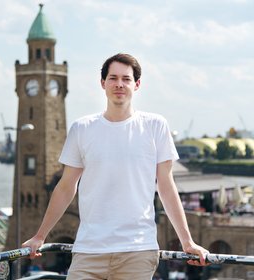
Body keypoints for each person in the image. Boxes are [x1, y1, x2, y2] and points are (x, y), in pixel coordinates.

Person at [23, 53, 209, 279]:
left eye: (126, 79)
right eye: (113, 78)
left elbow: (166, 187)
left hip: (137, 251)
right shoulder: (81, 129)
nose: (119, 84)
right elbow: (65, 187)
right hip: (88, 251)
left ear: (137, 84)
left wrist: (187, 242)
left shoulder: (155, 126)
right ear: (103, 83)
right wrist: (40, 236)